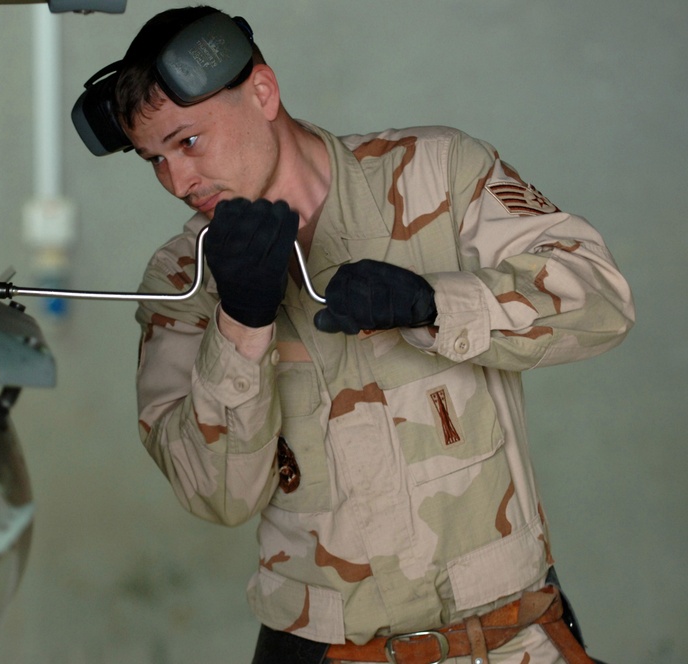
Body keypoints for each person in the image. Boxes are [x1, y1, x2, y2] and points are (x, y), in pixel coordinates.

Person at [74, 6, 634, 663]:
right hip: (324, 649)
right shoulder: (181, 277)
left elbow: (601, 297)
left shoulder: (438, 174)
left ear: (261, 92)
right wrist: (240, 324)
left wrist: (435, 304)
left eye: (188, 141)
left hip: (513, 639)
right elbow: (215, 493)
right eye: (154, 160)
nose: (177, 181)